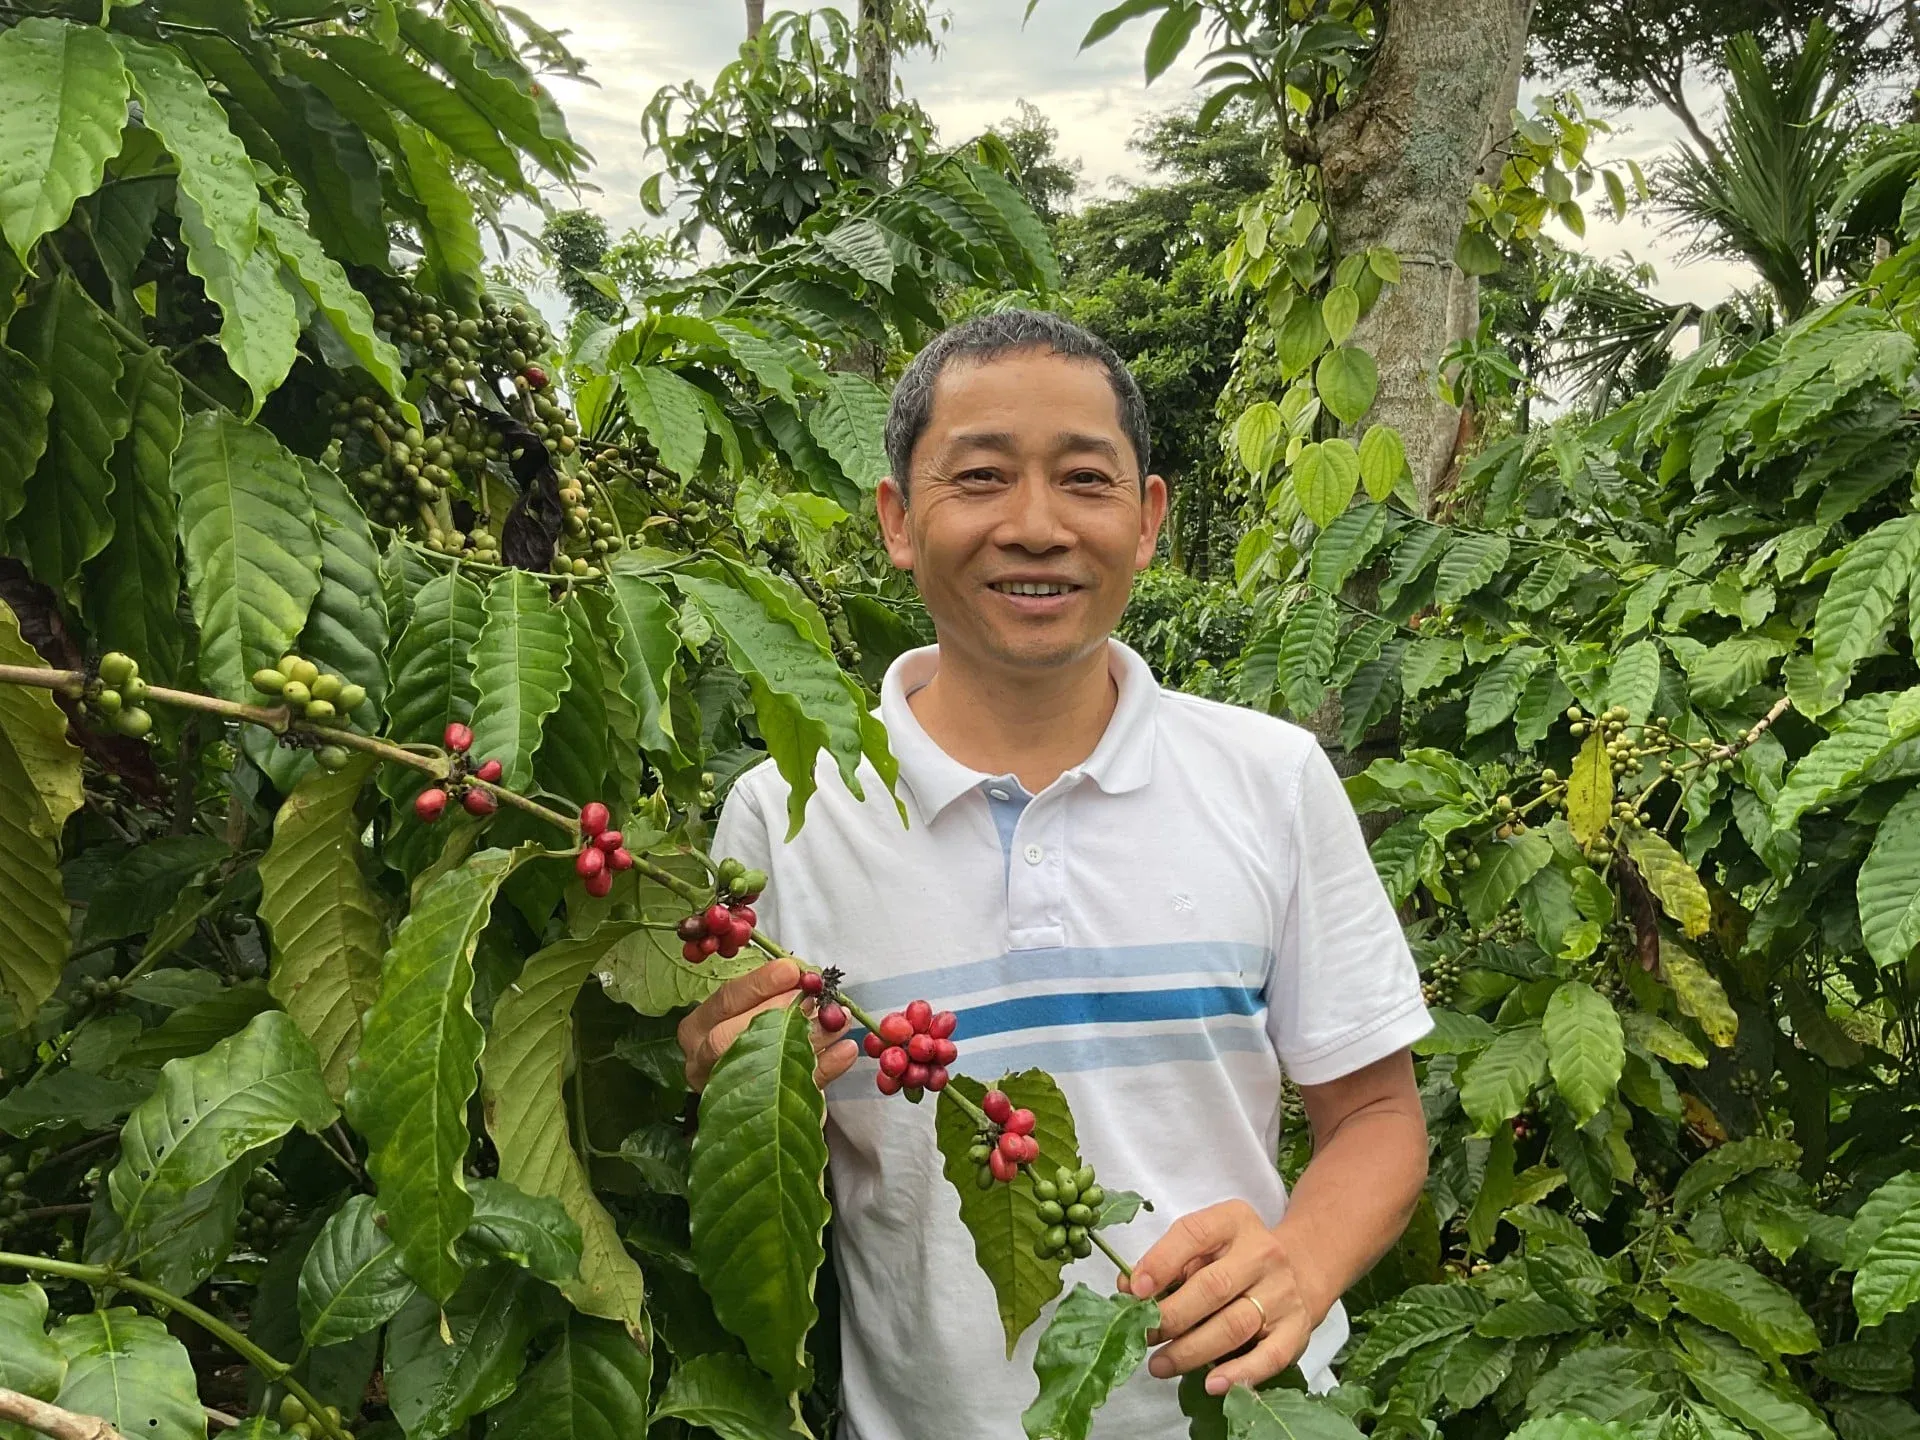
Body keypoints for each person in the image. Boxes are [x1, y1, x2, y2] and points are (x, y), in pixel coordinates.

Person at [678, 310, 1431, 1438]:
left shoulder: (1270, 780)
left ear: (1148, 520)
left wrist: (1297, 1263)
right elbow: (767, 1141)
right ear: (896, 519)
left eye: (1084, 480)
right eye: (979, 478)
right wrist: (727, 1082)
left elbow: (1375, 1112)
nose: (1034, 527)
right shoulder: (787, 815)